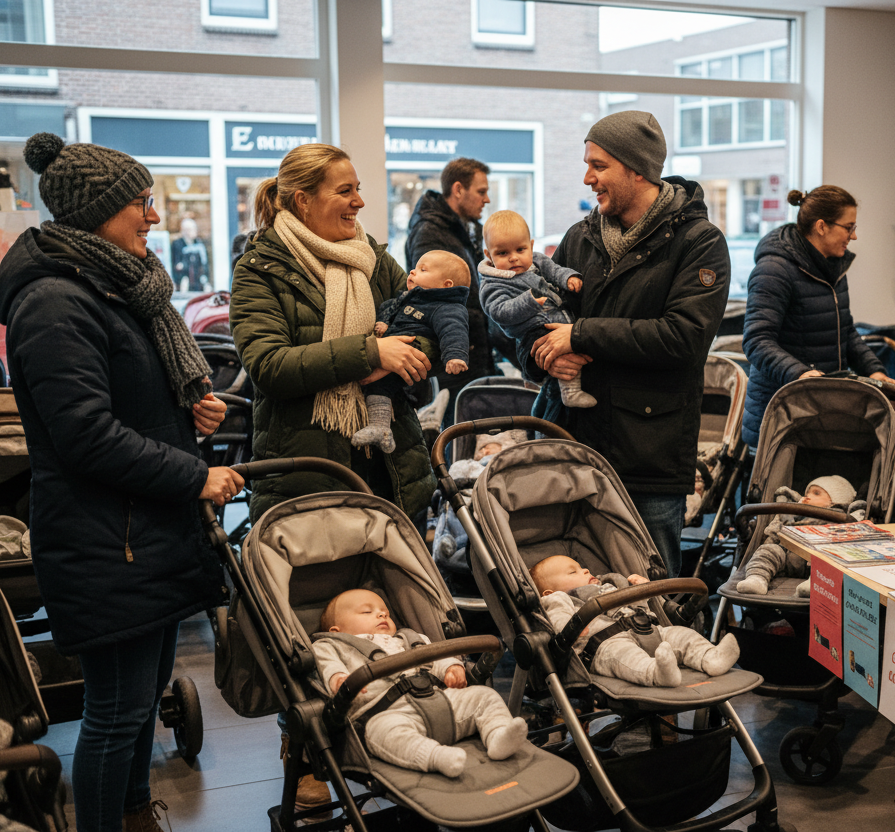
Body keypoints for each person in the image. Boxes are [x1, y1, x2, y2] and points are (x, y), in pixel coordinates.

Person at [0, 132, 241, 832]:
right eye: (142, 202)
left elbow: (122, 402)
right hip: (106, 538)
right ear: (96, 210)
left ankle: (135, 816)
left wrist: (186, 412)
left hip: (140, 528)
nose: (154, 216)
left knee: (141, 701)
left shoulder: (114, 285)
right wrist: (196, 474)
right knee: (114, 713)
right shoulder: (54, 301)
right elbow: (85, 436)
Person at [528, 110, 730, 580]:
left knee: (652, 592)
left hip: (648, 458)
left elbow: (683, 336)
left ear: (637, 169)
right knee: (572, 592)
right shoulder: (579, 238)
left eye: (598, 165)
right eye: (587, 164)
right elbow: (541, 321)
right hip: (572, 448)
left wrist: (580, 335)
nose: (587, 178)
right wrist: (544, 358)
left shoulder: (698, 243)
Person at [230, 143, 436, 524]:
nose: (359, 201)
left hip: (392, 471)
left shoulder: (372, 257)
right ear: (303, 200)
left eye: (357, 189)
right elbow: (269, 366)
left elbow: (431, 320)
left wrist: (405, 354)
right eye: (344, 191)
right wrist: (371, 354)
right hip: (307, 482)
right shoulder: (259, 270)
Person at [312, 589, 528, 778]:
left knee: (483, 695)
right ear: (336, 630)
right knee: (381, 733)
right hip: (385, 713)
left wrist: (452, 668)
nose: (382, 614)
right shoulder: (330, 644)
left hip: (437, 700)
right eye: (367, 612)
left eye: (385, 612)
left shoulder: (410, 638)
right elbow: (328, 666)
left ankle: (498, 735)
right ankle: (436, 757)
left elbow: (436, 657)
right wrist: (340, 681)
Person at [741, 185, 889, 447]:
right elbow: (757, 341)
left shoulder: (834, 268)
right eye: (849, 227)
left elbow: (845, 331)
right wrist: (800, 375)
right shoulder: (774, 269)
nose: (854, 236)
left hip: (821, 411)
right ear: (822, 226)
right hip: (780, 417)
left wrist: (874, 371)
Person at [529, 555, 739, 687]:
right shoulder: (558, 598)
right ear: (549, 592)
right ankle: (656, 673)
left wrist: (642, 589)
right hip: (604, 644)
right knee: (624, 657)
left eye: (582, 567)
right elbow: (557, 617)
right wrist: (571, 629)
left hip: (648, 629)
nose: (585, 570)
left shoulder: (608, 586)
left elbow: (638, 606)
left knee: (681, 635)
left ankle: (710, 657)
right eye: (572, 572)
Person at [352, 250, 471, 452]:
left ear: (446, 284)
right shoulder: (412, 299)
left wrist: (455, 356)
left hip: (409, 362)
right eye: (414, 268)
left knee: (379, 385)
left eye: (422, 270)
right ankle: (382, 430)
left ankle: (380, 427)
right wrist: (385, 323)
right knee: (377, 386)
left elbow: (453, 331)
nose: (413, 272)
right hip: (392, 351)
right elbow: (391, 308)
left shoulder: (447, 307)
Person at [405, 157, 500, 406]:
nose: (486, 200)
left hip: (467, 356)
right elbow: (432, 301)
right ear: (458, 190)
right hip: (451, 363)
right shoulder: (431, 232)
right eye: (481, 192)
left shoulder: (462, 230)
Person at [477, 209, 595, 408]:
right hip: (531, 329)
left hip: (557, 316)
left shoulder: (537, 260)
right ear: (489, 254)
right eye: (503, 253)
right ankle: (570, 391)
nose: (513, 258)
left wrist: (568, 278)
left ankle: (538, 381)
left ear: (530, 246)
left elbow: (554, 270)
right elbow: (499, 311)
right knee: (558, 354)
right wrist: (527, 302)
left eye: (520, 250)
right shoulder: (492, 283)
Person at [735, 476, 864, 597]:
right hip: (788, 555)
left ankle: (817, 583)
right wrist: (793, 510)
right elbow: (776, 531)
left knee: (832, 556)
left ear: (834, 502)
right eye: (807, 493)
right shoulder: (793, 514)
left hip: (818, 556)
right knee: (768, 550)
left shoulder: (842, 517)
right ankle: (757, 579)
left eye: (816, 493)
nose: (807, 496)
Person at [171, 216, 210, 293]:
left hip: (197, 282)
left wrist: (205, 281)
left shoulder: (199, 244)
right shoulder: (177, 244)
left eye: (194, 229)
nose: (194, 231)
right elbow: (176, 264)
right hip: (183, 282)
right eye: (190, 229)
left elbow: (204, 263)